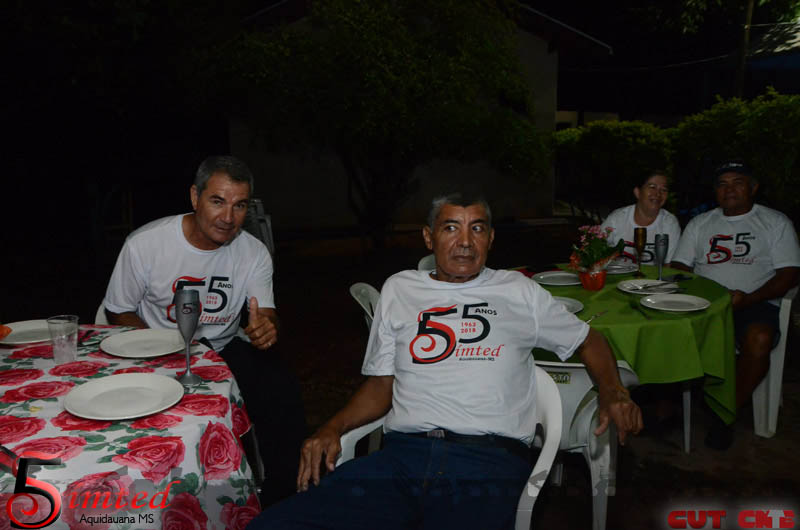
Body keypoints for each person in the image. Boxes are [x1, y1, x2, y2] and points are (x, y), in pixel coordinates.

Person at [247, 193, 643, 530]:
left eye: (477, 228)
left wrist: (613, 391)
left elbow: (588, 339)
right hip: (402, 459)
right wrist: (332, 427)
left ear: (490, 238)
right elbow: (382, 384)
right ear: (428, 236)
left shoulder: (518, 291)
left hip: (487, 462)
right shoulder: (400, 288)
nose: (465, 242)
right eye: (451, 227)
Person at [103, 155, 306, 505]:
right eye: (217, 201)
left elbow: (266, 313)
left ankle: (281, 499)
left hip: (222, 348)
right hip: (157, 350)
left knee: (281, 389)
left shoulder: (253, 252)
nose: (228, 217)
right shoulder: (146, 244)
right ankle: (157, 495)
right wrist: (158, 345)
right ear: (195, 197)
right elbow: (118, 309)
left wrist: (266, 328)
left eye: (239, 205)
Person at [671, 161, 800, 450]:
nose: (729, 189)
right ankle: (664, 405)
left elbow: (790, 274)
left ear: (753, 188)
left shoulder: (775, 222)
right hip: (704, 304)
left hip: (755, 303)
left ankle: (724, 412)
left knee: (759, 338)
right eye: (722, 184)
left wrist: (748, 298)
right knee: (663, 328)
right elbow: (679, 266)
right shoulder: (700, 223)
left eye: (737, 182)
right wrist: (702, 294)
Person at [601, 171, 681, 264]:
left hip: (653, 274)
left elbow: (669, 264)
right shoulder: (618, 218)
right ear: (637, 192)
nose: (658, 194)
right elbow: (597, 251)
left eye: (663, 190)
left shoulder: (669, 223)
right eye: (652, 187)